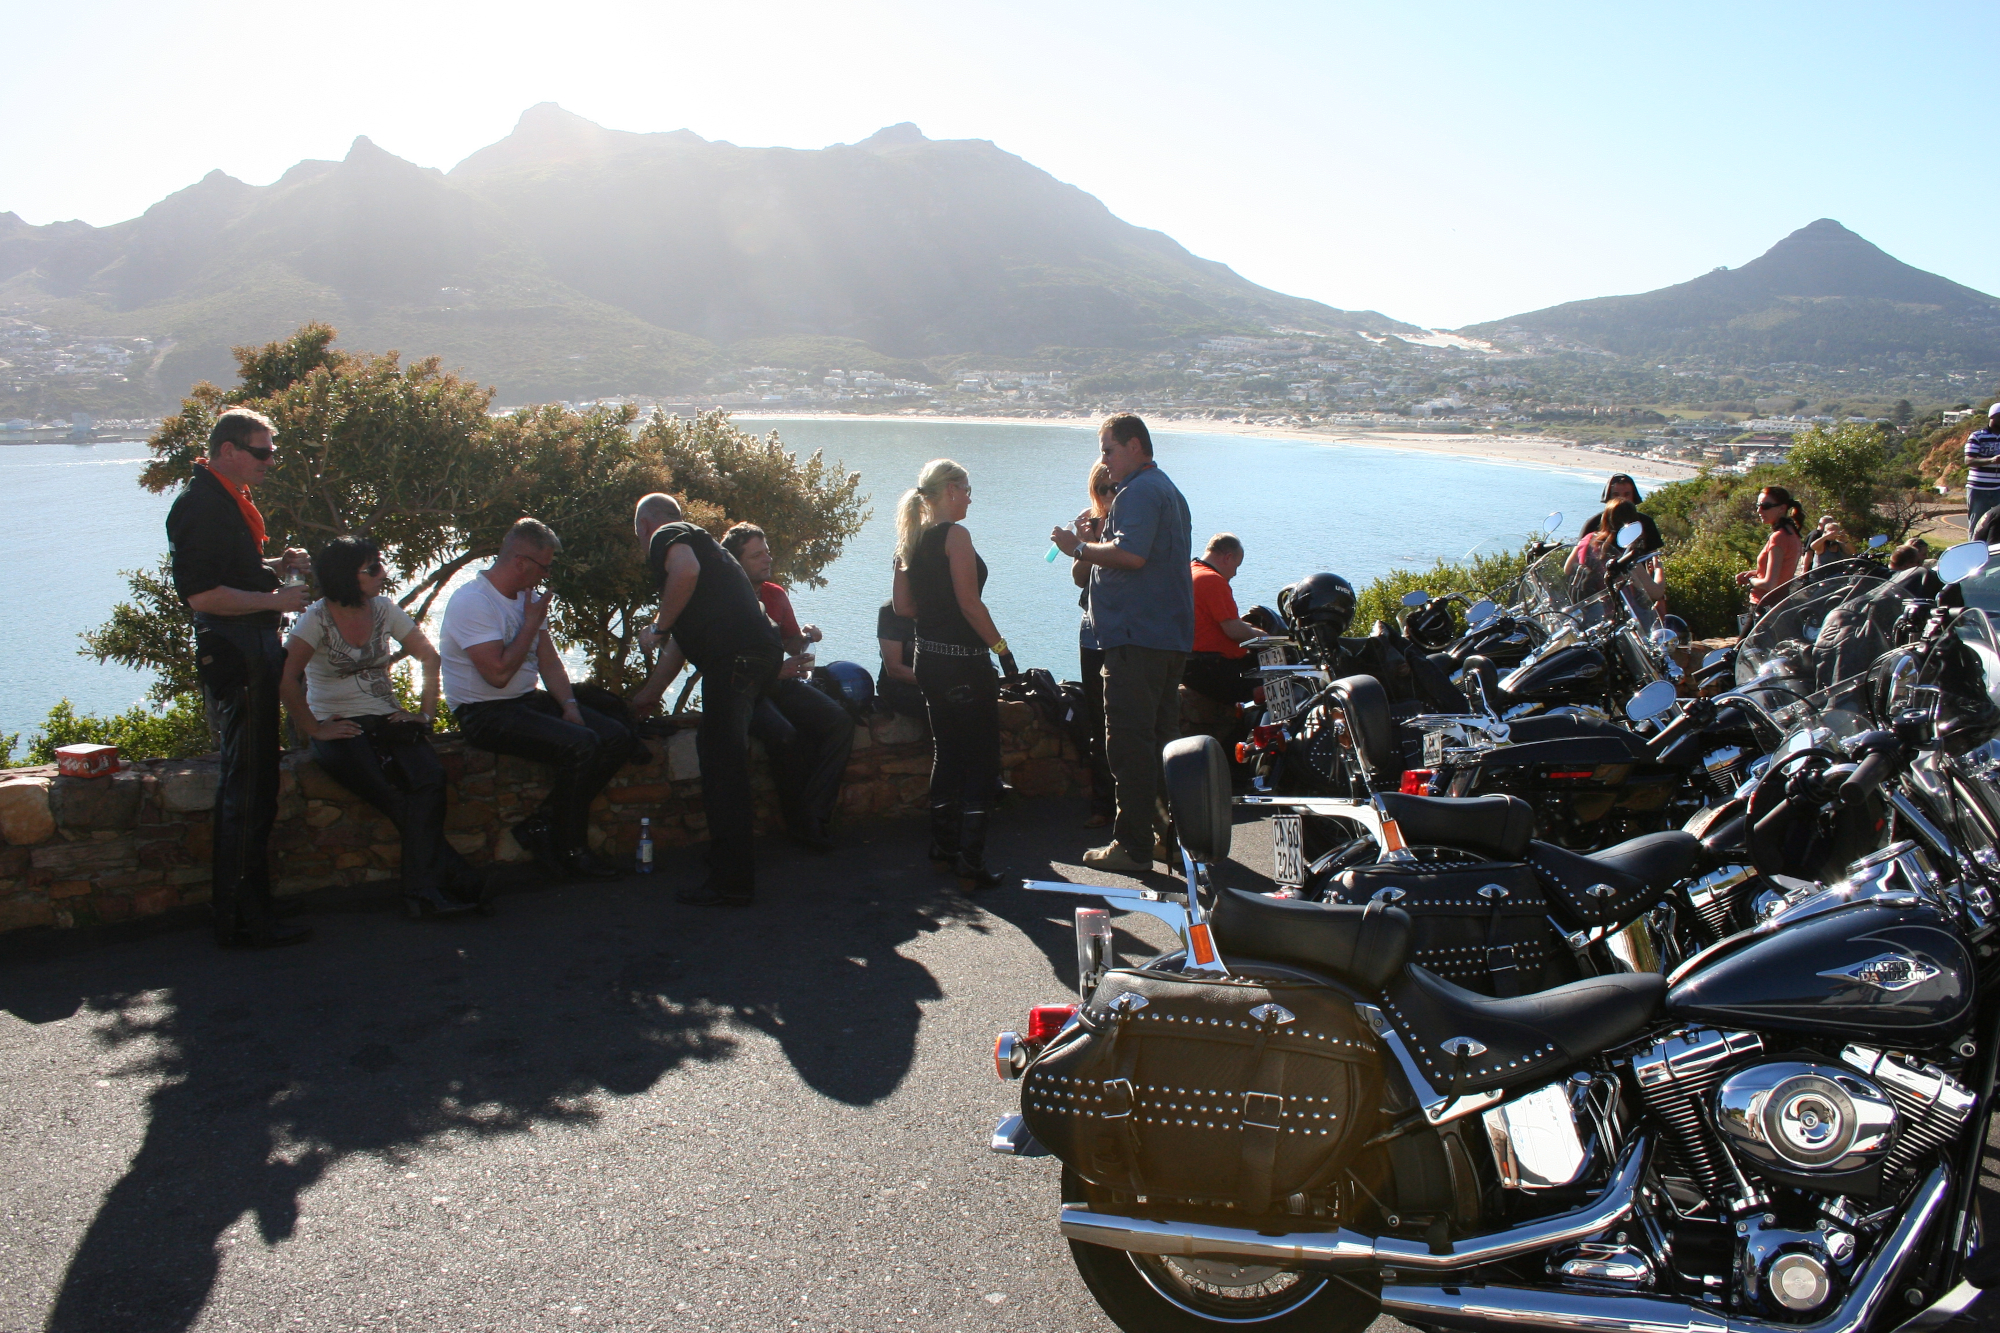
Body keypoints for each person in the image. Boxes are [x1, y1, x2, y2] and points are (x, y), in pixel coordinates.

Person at [280, 536, 487, 919]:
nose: (383, 573)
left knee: (430, 778)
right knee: (390, 793)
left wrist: (424, 715)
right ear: (346, 576)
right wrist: (314, 728)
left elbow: (429, 657)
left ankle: (433, 887)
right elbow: (286, 676)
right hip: (338, 724)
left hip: (385, 716)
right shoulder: (317, 618)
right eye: (372, 568)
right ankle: (442, 883)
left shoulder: (383, 610)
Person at [167, 406, 314, 947]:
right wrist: (273, 598)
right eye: (262, 451)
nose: (270, 461)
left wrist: (273, 567)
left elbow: (227, 576)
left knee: (255, 781)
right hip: (236, 653)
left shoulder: (225, 502)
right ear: (227, 451)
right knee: (248, 785)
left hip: (249, 649)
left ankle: (250, 900)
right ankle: (241, 915)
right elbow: (202, 595)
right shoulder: (203, 505)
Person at [441, 517, 633, 882]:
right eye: (543, 567)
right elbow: (496, 676)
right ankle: (571, 849)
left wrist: (570, 706)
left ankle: (542, 825)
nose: (545, 575)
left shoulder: (525, 600)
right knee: (583, 746)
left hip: (525, 701)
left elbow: (549, 662)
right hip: (483, 712)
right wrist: (530, 622)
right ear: (520, 561)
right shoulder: (473, 601)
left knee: (616, 737)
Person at [1050, 413, 1194, 875]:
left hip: (1136, 639)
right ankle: (1169, 839)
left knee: (1129, 743)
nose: (1104, 460)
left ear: (1135, 445)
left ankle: (1131, 844)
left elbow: (1131, 555)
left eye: (1108, 449)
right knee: (1160, 742)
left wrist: (1077, 547)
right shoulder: (1167, 489)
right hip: (1165, 637)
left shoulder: (1139, 492)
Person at [630, 495, 785, 906]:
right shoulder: (708, 553)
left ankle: (731, 883)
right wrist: (650, 694)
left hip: (735, 659)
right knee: (723, 757)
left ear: (644, 526)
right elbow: (685, 636)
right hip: (758, 655)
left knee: (722, 766)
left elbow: (684, 572)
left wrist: (657, 627)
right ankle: (726, 864)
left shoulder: (668, 533)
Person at [893, 458, 1013, 891]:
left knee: (946, 753)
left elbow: (903, 608)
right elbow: (970, 604)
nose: (969, 496)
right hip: (965, 661)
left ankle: (942, 847)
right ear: (947, 491)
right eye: (964, 488)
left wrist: (935, 613)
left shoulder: (910, 539)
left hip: (928, 660)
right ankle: (971, 859)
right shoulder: (955, 536)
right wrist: (1002, 649)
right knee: (980, 760)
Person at [722, 522, 854, 852]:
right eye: (756, 555)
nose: (767, 559)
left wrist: (807, 636)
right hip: (744, 690)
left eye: (766, 551)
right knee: (785, 735)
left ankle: (815, 814)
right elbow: (724, 661)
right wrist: (776, 671)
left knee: (839, 721)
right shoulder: (721, 600)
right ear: (736, 562)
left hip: (779, 681)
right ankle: (801, 823)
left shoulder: (774, 593)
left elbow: (792, 645)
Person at [1069, 463, 1118, 828]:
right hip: (1092, 632)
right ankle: (1103, 805)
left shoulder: (1131, 524)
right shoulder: (1094, 523)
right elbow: (1078, 578)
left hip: (1122, 633)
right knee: (1098, 720)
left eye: (1113, 486)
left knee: (1124, 721)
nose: (1108, 494)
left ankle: (1133, 807)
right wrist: (1083, 544)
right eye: (1101, 488)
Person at [1184, 533, 1261, 705]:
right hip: (1212, 667)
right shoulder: (1212, 580)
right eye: (1236, 566)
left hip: (1189, 662)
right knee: (1278, 678)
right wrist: (1265, 638)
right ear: (1228, 557)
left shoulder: (1190, 570)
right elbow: (1234, 631)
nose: (1234, 573)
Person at [1565, 499, 1665, 611]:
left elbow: (1567, 568)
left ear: (1605, 518)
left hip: (1586, 611)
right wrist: (1658, 568)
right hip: (1616, 617)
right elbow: (1656, 592)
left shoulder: (1587, 539)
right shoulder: (1625, 554)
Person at [1735, 485, 1807, 617]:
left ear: (1782, 508)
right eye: (1758, 505)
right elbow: (1781, 573)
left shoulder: (1778, 537)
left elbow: (1770, 584)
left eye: (1765, 506)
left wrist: (1751, 580)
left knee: (1746, 639)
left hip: (1765, 606)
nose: (1759, 510)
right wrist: (1756, 573)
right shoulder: (1792, 533)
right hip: (1780, 605)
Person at [1578, 474, 1662, 554]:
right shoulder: (1594, 523)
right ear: (1609, 497)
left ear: (1633, 496)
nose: (1622, 499)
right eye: (1616, 494)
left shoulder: (1646, 522)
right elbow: (1580, 554)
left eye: (1627, 494)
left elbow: (1653, 555)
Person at [874, 600, 925, 719]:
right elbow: (894, 669)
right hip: (899, 686)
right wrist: (940, 683)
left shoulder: (951, 609)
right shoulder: (890, 611)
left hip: (939, 683)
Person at [1965, 403, 2000, 535]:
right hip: (1979, 489)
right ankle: (1975, 551)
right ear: (1993, 417)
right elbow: (1969, 460)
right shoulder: (1977, 436)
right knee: (1977, 525)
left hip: (1998, 488)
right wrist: (1991, 460)